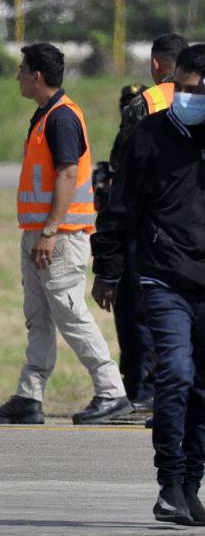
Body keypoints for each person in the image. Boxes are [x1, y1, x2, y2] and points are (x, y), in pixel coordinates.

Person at [0, 42, 129, 426]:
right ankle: (29, 396)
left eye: (21, 69)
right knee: (39, 317)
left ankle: (112, 391)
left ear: (36, 76)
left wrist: (49, 230)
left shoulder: (62, 118)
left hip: (59, 237)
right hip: (41, 235)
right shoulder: (45, 115)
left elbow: (67, 174)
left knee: (70, 314)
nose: (17, 76)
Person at [93, 43, 205, 525]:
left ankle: (190, 484)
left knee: (202, 386)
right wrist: (109, 268)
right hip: (162, 276)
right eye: (178, 87)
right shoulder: (148, 136)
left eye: (194, 89)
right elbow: (120, 207)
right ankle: (168, 482)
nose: (183, 96)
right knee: (175, 375)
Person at [96, 32, 188, 412]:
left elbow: (122, 176)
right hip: (190, 228)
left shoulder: (144, 105)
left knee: (142, 312)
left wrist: (108, 260)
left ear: (155, 65)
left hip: (147, 228)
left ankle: (145, 389)